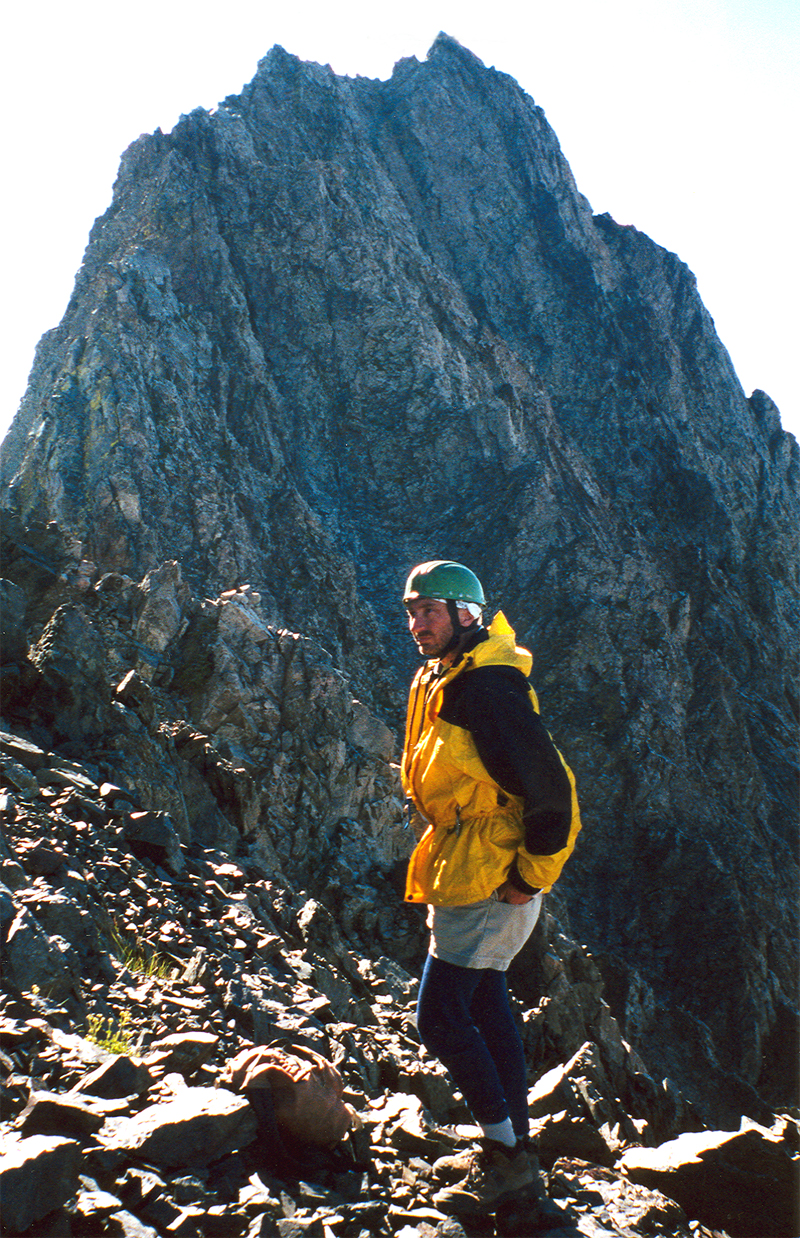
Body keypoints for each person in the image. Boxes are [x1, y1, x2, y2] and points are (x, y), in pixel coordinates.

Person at [401, 559, 581, 1218]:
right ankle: (515, 1147)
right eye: (412, 611)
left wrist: (529, 876)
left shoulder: (488, 688)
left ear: (465, 615)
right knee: (485, 1004)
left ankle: (506, 1160)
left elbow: (552, 791)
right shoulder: (453, 675)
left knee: (440, 1016)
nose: (417, 624)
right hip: (469, 865)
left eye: (431, 611)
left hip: (491, 876)